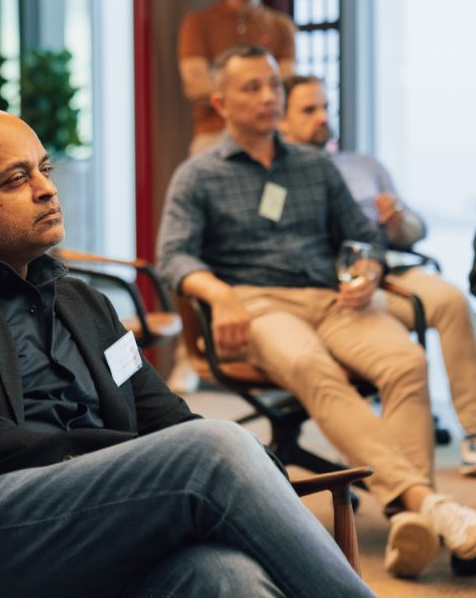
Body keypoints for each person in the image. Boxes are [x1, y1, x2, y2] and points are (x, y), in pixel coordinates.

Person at [0, 108, 372, 598]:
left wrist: (233, 468)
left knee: (222, 574)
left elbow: (166, 420)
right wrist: (104, 456)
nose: (47, 189)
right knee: (212, 451)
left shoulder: (86, 304)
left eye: (44, 170)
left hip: (94, 528)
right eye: (16, 179)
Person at [157, 45, 476, 576]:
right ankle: (431, 505)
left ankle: (408, 515)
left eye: (273, 85)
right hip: (257, 303)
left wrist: (367, 269)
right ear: (221, 102)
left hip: (331, 299)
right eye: (252, 87)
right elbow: (173, 256)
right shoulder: (198, 175)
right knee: (311, 366)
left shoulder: (313, 165)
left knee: (406, 362)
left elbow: (363, 235)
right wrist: (220, 295)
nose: (269, 97)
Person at [280, 74, 476, 469]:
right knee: (389, 344)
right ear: (282, 120)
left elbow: (415, 230)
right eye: (309, 110)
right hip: (335, 284)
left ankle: (473, 430)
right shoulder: (283, 175)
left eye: (325, 107)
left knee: (452, 300)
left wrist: (398, 219)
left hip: (390, 268)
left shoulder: (363, 165)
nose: (323, 118)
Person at [178, 0, 297, 155]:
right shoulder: (198, 23)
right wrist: (260, 95)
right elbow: (196, 84)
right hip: (213, 133)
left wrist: (232, 90)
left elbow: (286, 82)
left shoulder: (282, 26)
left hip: (270, 132)